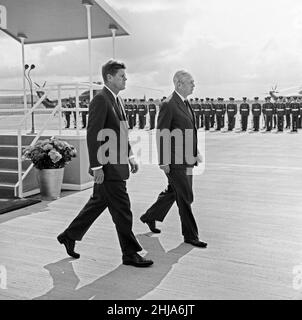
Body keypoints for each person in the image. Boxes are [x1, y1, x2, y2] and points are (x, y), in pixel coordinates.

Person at [57, 59, 153, 268]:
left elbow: (121, 132)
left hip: (117, 163)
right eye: (121, 76)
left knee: (97, 204)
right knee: (123, 210)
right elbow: (94, 134)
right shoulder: (101, 100)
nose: (125, 79)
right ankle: (130, 253)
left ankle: (69, 235)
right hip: (108, 167)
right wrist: (97, 166)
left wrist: (129, 156)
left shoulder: (116, 100)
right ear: (109, 77)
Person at [140, 70, 207, 248]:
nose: (194, 85)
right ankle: (190, 235)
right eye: (191, 82)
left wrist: (196, 151)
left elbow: (189, 131)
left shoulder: (185, 103)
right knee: (185, 196)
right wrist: (163, 161)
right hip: (175, 160)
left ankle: (150, 216)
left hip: (187, 158)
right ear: (179, 84)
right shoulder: (169, 104)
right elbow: (162, 134)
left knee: (174, 191)